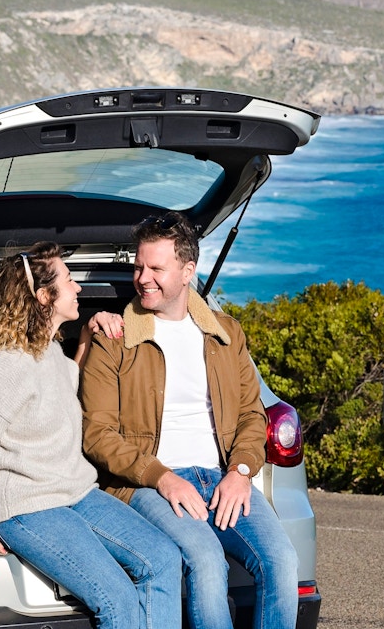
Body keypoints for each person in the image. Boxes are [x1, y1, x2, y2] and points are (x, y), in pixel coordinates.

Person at [80, 213, 299, 629]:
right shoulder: (116, 339)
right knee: (206, 560)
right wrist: (162, 477)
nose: (143, 278)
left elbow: (253, 414)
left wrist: (241, 470)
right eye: (139, 266)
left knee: (283, 561)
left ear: (187, 271)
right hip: (147, 483)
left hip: (222, 478)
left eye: (156, 268)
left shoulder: (226, 333)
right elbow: (97, 435)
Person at [0, 241, 181, 629]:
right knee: (118, 599)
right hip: (27, 506)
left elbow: (64, 383)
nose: (78, 289)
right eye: (70, 280)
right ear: (44, 296)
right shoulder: (4, 370)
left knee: (163, 560)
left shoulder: (49, 354)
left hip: (74, 493)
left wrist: (89, 338)